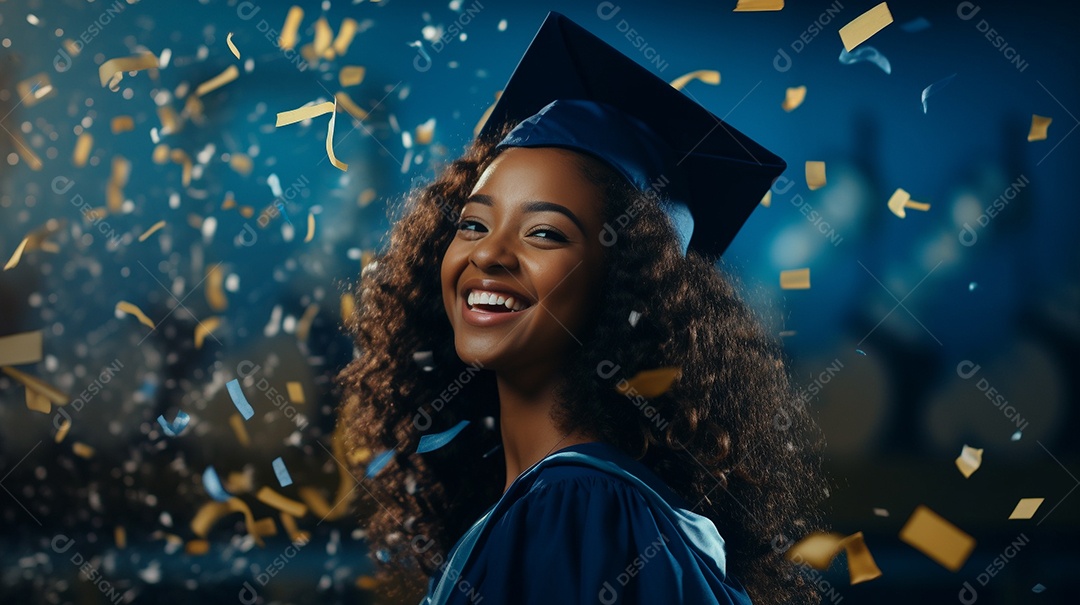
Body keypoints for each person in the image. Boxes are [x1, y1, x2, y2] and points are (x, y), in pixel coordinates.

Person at [336, 12, 825, 605]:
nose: (489, 253)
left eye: (545, 233)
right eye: (471, 223)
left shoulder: (576, 505)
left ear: (626, 287)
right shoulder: (580, 500)